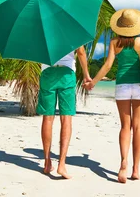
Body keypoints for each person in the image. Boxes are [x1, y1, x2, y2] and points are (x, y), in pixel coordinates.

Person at [85, 9, 140, 183]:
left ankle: (123, 162)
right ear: (137, 25)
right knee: (138, 127)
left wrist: (93, 82)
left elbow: (108, 66)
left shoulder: (115, 42)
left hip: (122, 86)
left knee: (125, 127)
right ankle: (136, 170)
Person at [36, 46, 91, 179]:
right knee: (66, 118)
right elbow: (81, 52)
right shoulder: (72, 28)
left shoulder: (43, 28)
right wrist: (86, 75)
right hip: (67, 74)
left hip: (48, 72)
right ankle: (61, 164)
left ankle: (47, 162)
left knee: (48, 118)